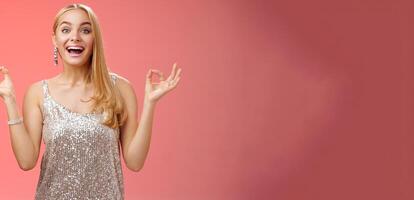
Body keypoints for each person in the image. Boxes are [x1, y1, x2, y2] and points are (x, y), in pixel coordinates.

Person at [0, 3, 181, 199]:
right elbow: (26, 161)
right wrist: (9, 100)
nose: (75, 36)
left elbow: (135, 162)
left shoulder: (120, 89)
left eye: (85, 30)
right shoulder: (38, 93)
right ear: (55, 39)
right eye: (66, 29)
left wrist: (150, 104)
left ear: (95, 38)